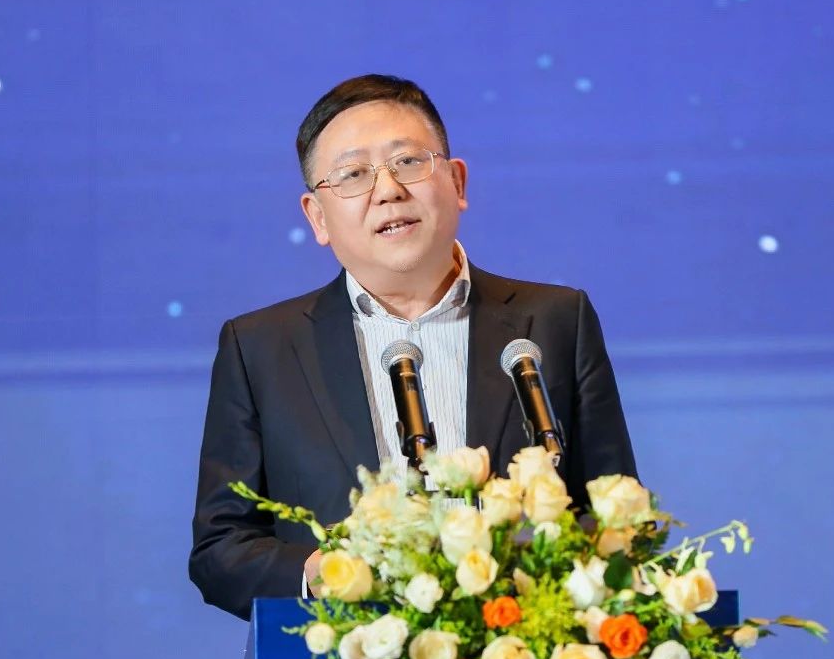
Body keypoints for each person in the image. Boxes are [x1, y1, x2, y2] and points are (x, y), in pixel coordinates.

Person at [189, 74, 636, 620]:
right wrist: (328, 573)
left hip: (526, 652)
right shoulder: (261, 348)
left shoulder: (554, 322)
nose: (388, 190)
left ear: (458, 182)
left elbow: (616, 514)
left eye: (407, 162)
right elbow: (221, 550)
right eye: (353, 174)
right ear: (318, 217)